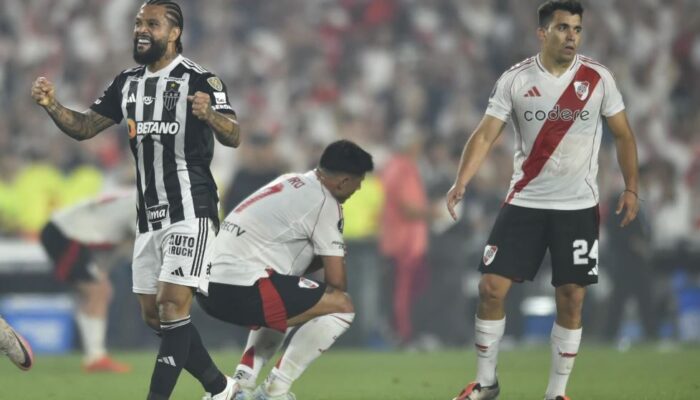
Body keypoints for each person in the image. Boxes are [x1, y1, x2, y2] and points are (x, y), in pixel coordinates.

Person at [31, 1, 241, 398]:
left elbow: (235, 135)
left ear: (174, 32)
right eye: (138, 23)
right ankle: (222, 388)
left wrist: (211, 116)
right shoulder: (126, 82)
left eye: (151, 23)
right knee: (155, 317)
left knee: (172, 307)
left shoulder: (201, 80)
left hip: (190, 209)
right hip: (148, 215)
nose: (140, 30)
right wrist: (52, 106)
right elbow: (85, 127)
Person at [445, 1, 640, 399]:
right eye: (563, 28)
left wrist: (631, 186)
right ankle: (486, 383)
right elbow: (485, 134)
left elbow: (622, 133)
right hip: (525, 203)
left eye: (577, 29)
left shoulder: (598, 78)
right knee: (491, 289)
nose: (571, 36)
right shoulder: (515, 80)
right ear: (543, 33)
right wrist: (461, 180)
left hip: (577, 208)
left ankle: (556, 394)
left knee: (571, 298)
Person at [197, 140, 374, 400]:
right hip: (240, 286)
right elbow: (337, 283)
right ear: (343, 181)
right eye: (357, 184)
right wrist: (334, 254)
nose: (356, 191)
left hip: (207, 283)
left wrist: (321, 256)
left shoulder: (290, 180)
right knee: (341, 305)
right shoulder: (325, 203)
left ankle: (239, 387)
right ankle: (274, 391)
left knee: (287, 296)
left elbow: (295, 264)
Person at [39, 192, 134, 373]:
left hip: (67, 232)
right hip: (65, 233)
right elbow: (129, 243)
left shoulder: (139, 197)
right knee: (97, 291)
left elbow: (122, 240)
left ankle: (94, 355)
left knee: (100, 290)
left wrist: (103, 269)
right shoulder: (147, 205)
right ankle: (95, 356)